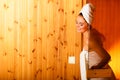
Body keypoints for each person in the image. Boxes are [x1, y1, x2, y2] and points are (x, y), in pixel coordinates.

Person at [76, 3, 116, 80]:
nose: (77, 26)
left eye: (81, 24)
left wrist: (96, 68)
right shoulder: (90, 33)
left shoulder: (90, 39)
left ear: (88, 24)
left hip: (100, 76)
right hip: (97, 75)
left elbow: (107, 57)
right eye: (76, 22)